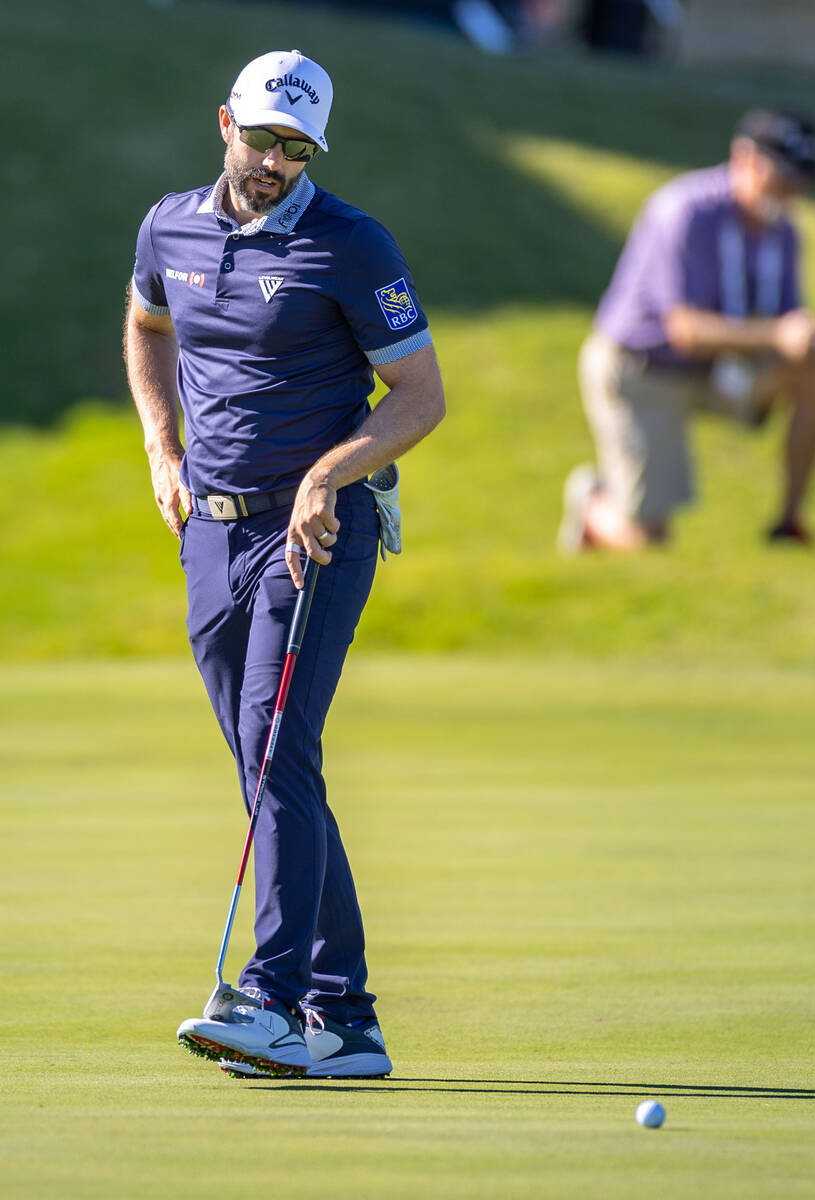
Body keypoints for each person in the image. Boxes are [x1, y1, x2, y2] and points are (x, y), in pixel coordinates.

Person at [124, 49, 444, 1079]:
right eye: (262, 139)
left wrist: (329, 476)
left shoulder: (352, 246)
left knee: (274, 748)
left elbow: (418, 397)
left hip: (315, 531)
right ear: (227, 122)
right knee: (269, 766)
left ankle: (267, 996)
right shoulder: (168, 225)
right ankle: (344, 1021)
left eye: (296, 147)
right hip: (208, 534)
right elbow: (147, 325)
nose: (275, 162)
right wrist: (160, 448)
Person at [560, 109, 815, 552]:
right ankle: (594, 505)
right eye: (782, 176)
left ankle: (788, 524)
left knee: (813, 371)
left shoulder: (784, 231)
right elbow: (685, 328)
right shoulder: (686, 210)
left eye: (800, 181)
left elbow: (785, 327)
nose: (790, 191)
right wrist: (779, 336)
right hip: (641, 372)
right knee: (648, 540)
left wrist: (810, 344)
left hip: (719, 370)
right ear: (744, 158)